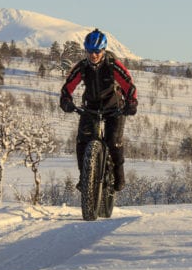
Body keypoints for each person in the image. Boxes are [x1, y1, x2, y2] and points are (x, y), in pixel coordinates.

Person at [59, 29, 138, 191]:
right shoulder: (82, 67)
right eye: (89, 51)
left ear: (103, 50)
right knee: (82, 141)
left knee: (113, 141)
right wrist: (65, 100)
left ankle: (118, 173)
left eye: (97, 51)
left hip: (114, 108)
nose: (93, 55)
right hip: (91, 108)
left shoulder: (113, 65)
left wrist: (131, 102)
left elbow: (128, 84)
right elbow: (68, 86)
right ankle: (84, 176)